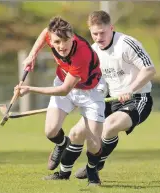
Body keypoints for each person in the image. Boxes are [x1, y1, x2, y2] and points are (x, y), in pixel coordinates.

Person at [49, 10, 156, 180]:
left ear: (111, 28)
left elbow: (150, 69)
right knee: (76, 133)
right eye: (94, 33)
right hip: (108, 98)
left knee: (109, 126)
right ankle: (63, 174)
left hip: (137, 98)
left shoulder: (127, 44)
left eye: (102, 32)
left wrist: (130, 89)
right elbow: (93, 81)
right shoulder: (91, 51)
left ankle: (96, 164)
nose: (98, 37)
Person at [14, 16, 106, 185]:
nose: (61, 46)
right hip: (63, 81)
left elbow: (64, 90)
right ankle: (63, 144)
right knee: (50, 131)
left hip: (90, 92)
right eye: (56, 42)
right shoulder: (51, 35)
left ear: (72, 37)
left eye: (65, 41)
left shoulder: (82, 54)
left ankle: (93, 172)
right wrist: (31, 55)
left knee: (93, 142)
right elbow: (44, 33)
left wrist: (30, 89)